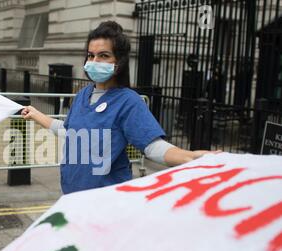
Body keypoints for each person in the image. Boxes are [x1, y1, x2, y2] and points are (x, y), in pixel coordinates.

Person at [21, 21, 220, 195]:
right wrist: (37, 115)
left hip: (108, 200)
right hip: (72, 194)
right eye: (90, 55)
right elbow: (69, 131)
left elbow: (152, 147)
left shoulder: (128, 101)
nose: (94, 61)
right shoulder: (83, 95)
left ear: (119, 62)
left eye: (104, 55)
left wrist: (191, 157)